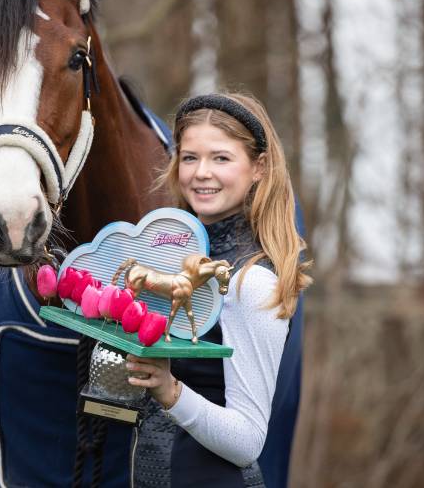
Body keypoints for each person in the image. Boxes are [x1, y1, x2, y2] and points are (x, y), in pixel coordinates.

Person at [126, 92, 313, 486]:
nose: (200, 173)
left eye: (221, 158)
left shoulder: (252, 281)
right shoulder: (182, 257)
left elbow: (247, 441)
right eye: (190, 157)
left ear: (258, 167)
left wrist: (169, 389)